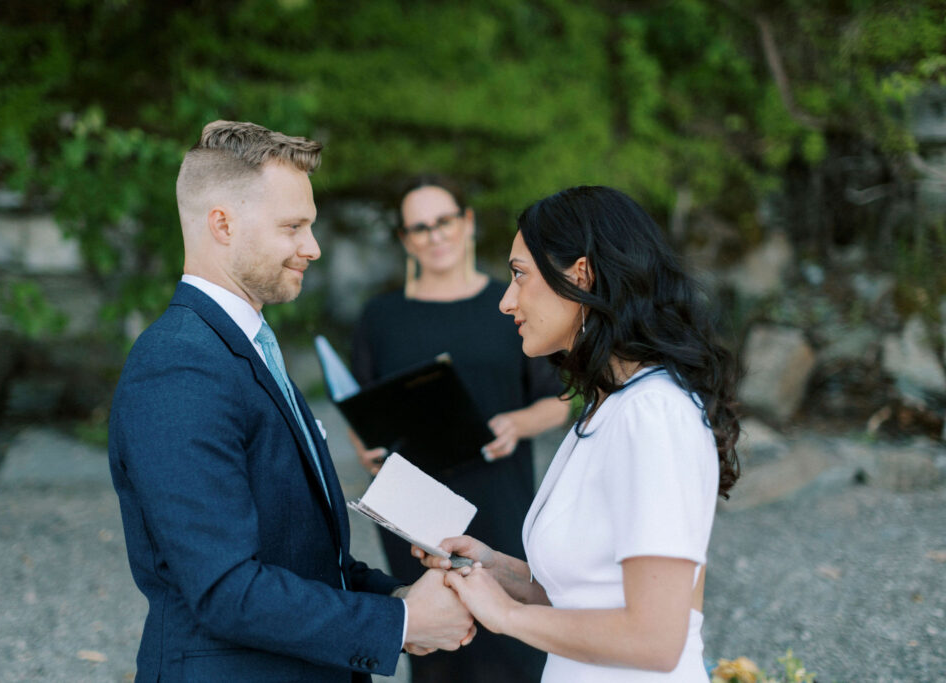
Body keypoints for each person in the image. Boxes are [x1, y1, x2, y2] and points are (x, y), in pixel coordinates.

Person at [108, 121, 475, 682]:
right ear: (222, 224)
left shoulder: (246, 347)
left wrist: (399, 596)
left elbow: (304, 557)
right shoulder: (178, 365)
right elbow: (225, 589)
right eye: (293, 227)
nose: (314, 247)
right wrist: (398, 623)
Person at [415, 185, 742, 681]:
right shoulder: (608, 405)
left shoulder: (652, 414)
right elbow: (584, 598)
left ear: (581, 276)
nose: (506, 301)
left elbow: (656, 639)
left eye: (520, 275)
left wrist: (506, 617)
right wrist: (493, 569)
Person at [350, 175, 569, 682]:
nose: (435, 235)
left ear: (466, 223)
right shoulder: (380, 317)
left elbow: (557, 400)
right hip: (415, 510)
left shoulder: (511, 302)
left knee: (516, 653)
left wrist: (516, 422)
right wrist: (367, 448)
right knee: (438, 658)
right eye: (419, 227)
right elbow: (359, 404)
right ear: (406, 240)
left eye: (444, 221)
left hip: (498, 498)